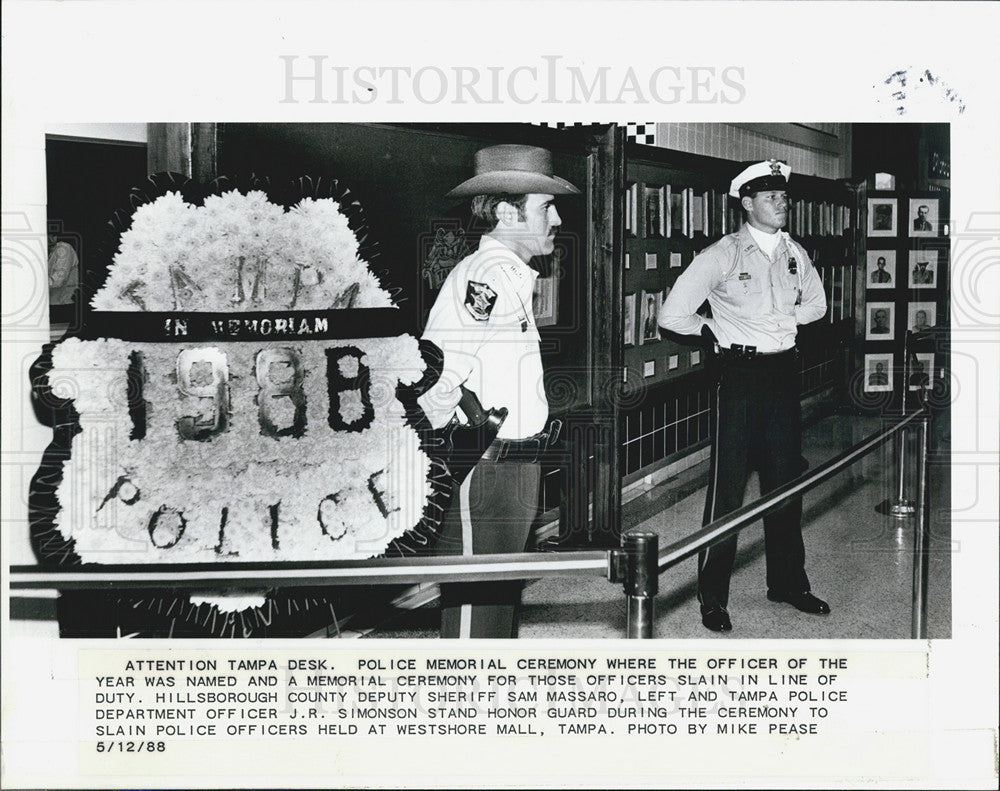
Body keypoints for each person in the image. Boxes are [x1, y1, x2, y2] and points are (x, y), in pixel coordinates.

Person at [658, 159, 828, 633]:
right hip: (740, 375)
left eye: (784, 195)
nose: (782, 203)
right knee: (728, 491)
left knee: (784, 481)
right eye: (771, 196)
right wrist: (713, 329)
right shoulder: (723, 254)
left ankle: (788, 583)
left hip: (782, 374)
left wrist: (784, 322)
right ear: (746, 203)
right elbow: (673, 316)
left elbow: (818, 304)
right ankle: (713, 597)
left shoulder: (795, 252)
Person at [418, 144, 578, 638]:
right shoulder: (483, 277)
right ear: (508, 212)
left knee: (498, 603)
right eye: (545, 206)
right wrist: (445, 459)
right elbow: (436, 374)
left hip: (515, 465)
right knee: (475, 611)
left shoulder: (510, 277)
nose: (556, 218)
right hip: (485, 468)